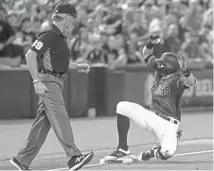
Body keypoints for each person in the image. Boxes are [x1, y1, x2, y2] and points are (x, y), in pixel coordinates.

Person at [10, 2, 94, 171]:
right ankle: (74, 157)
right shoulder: (50, 34)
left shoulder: (59, 36)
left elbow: (58, 62)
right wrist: (36, 81)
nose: (73, 21)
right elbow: (30, 55)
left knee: (43, 124)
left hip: (54, 80)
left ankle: (21, 159)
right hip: (48, 81)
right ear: (67, 17)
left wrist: (77, 66)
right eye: (72, 17)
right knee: (60, 117)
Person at [101, 34, 197, 163]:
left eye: (163, 63)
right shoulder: (158, 70)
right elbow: (146, 53)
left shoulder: (177, 78)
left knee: (167, 152)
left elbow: (191, 82)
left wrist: (186, 71)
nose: (160, 64)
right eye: (160, 62)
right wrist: (150, 43)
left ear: (170, 67)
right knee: (122, 106)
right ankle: (123, 149)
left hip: (168, 125)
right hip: (151, 117)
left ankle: (153, 152)